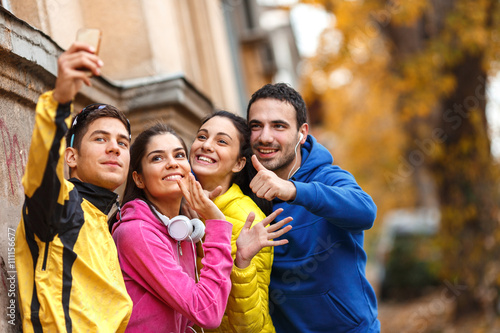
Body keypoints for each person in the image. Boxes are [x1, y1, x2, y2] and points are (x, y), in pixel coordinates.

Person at [110, 123, 288, 333]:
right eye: (157, 158)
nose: (172, 164)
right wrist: (216, 222)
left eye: (178, 155)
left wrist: (241, 261)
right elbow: (206, 312)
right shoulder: (136, 232)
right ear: (139, 178)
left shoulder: (182, 228)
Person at [15, 43, 133, 332]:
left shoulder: (107, 221)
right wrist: (60, 99)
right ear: (72, 157)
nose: (114, 149)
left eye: (123, 142)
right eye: (100, 139)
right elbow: (42, 168)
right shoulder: (62, 206)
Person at [247, 83, 380, 333]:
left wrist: (294, 191)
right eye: (256, 126)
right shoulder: (245, 189)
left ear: (302, 133)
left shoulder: (327, 177)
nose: (265, 137)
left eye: (278, 126)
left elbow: (365, 211)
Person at [189, 111, 292, 333]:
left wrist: (242, 264)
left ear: (238, 163)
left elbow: (250, 326)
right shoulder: (180, 204)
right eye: (202, 136)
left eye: (221, 141)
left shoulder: (247, 218)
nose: (206, 145)